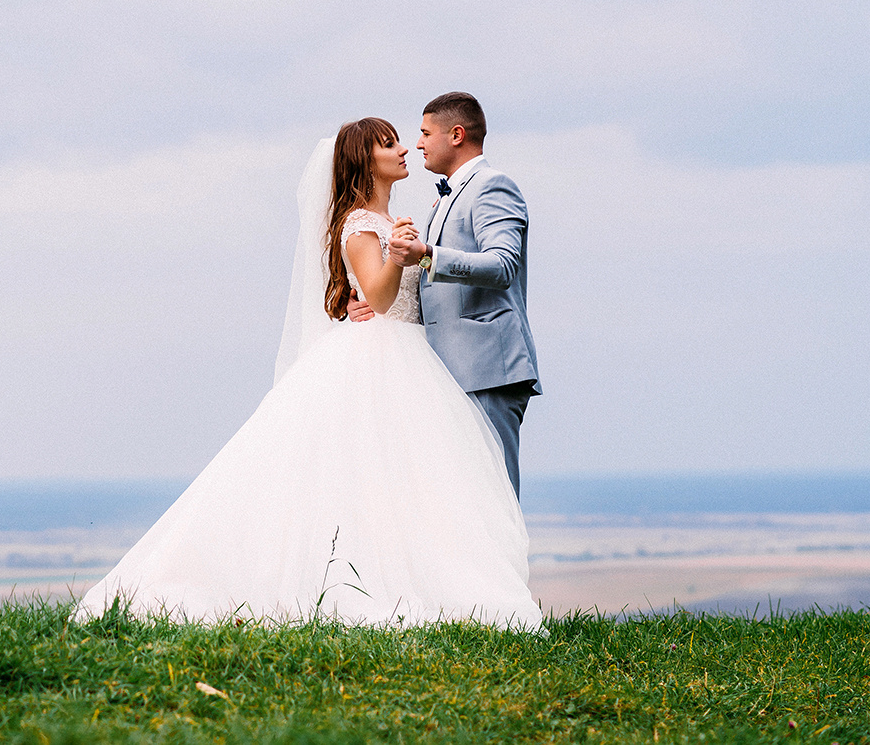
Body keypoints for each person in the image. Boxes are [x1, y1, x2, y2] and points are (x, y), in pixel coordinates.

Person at [71, 117, 542, 629]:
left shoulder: (397, 219)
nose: (404, 148)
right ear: (365, 161)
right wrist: (398, 257)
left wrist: (388, 267)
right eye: (389, 144)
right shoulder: (359, 224)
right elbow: (383, 297)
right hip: (384, 357)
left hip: (414, 352)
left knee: (414, 479)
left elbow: (406, 294)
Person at [365, 91, 542, 497]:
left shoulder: (493, 186)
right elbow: (429, 285)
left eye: (426, 134)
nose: (418, 144)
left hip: (486, 369)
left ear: (457, 135)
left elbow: (502, 265)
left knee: (494, 497)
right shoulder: (445, 198)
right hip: (448, 372)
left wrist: (428, 254)